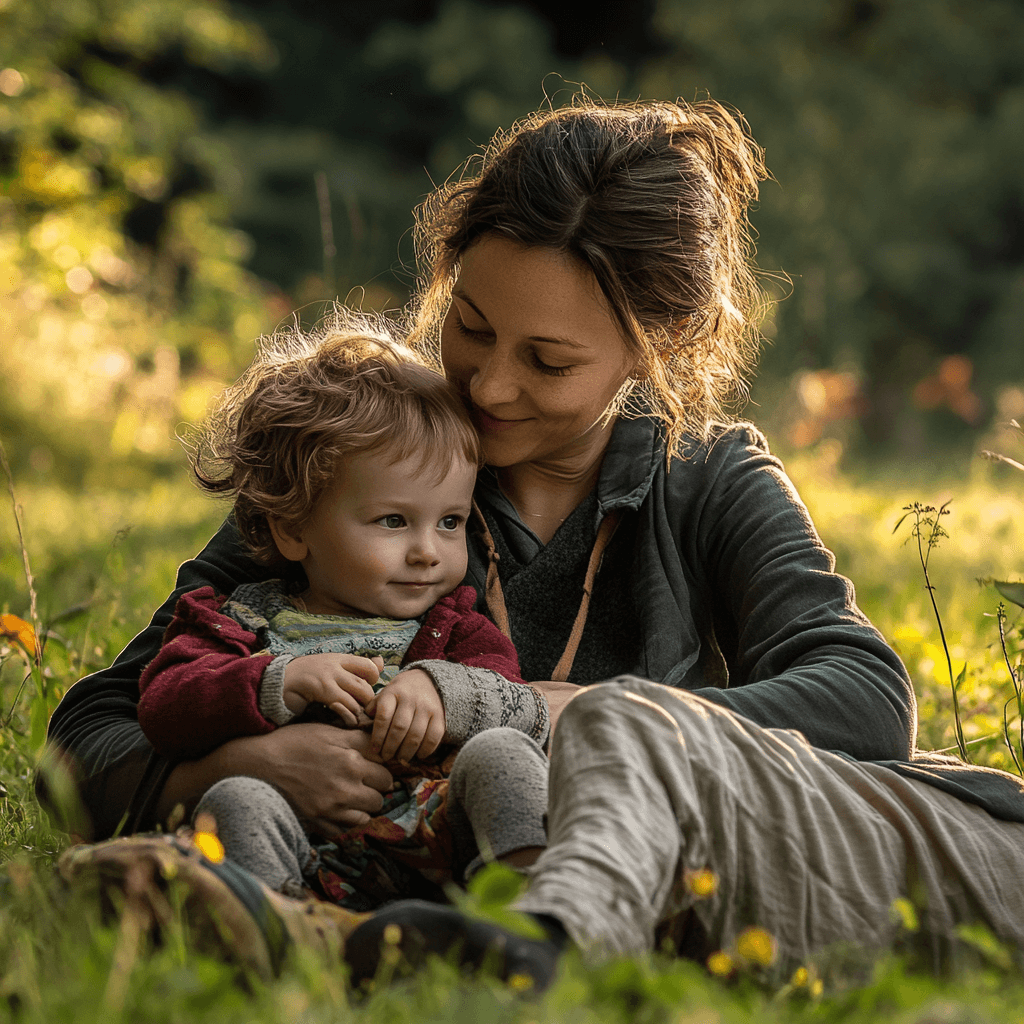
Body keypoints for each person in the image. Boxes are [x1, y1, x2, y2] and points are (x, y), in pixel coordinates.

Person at [46, 96, 1024, 983]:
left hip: (673, 854)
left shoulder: (710, 478)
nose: (489, 387)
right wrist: (227, 771)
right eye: (469, 327)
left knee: (627, 730)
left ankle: (546, 941)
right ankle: (354, 936)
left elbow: (862, 696)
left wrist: (560, 710)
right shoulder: (363, 460)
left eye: (548, 362)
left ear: (659, 345)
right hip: (372, 865)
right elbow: (93, 730)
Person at [134, 328, 549, 909]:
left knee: (504, 756)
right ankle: (278, 927)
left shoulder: (455, 628)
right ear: (294, 528)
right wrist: (278, 680)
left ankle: (528, 914)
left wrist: (442, 688)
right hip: (309, 851)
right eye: (393, 522)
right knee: (235, 801)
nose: (428, 550)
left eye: (450, 522)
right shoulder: (242, 621)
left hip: (439, 840)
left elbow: (526, 710)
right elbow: (165, 703)